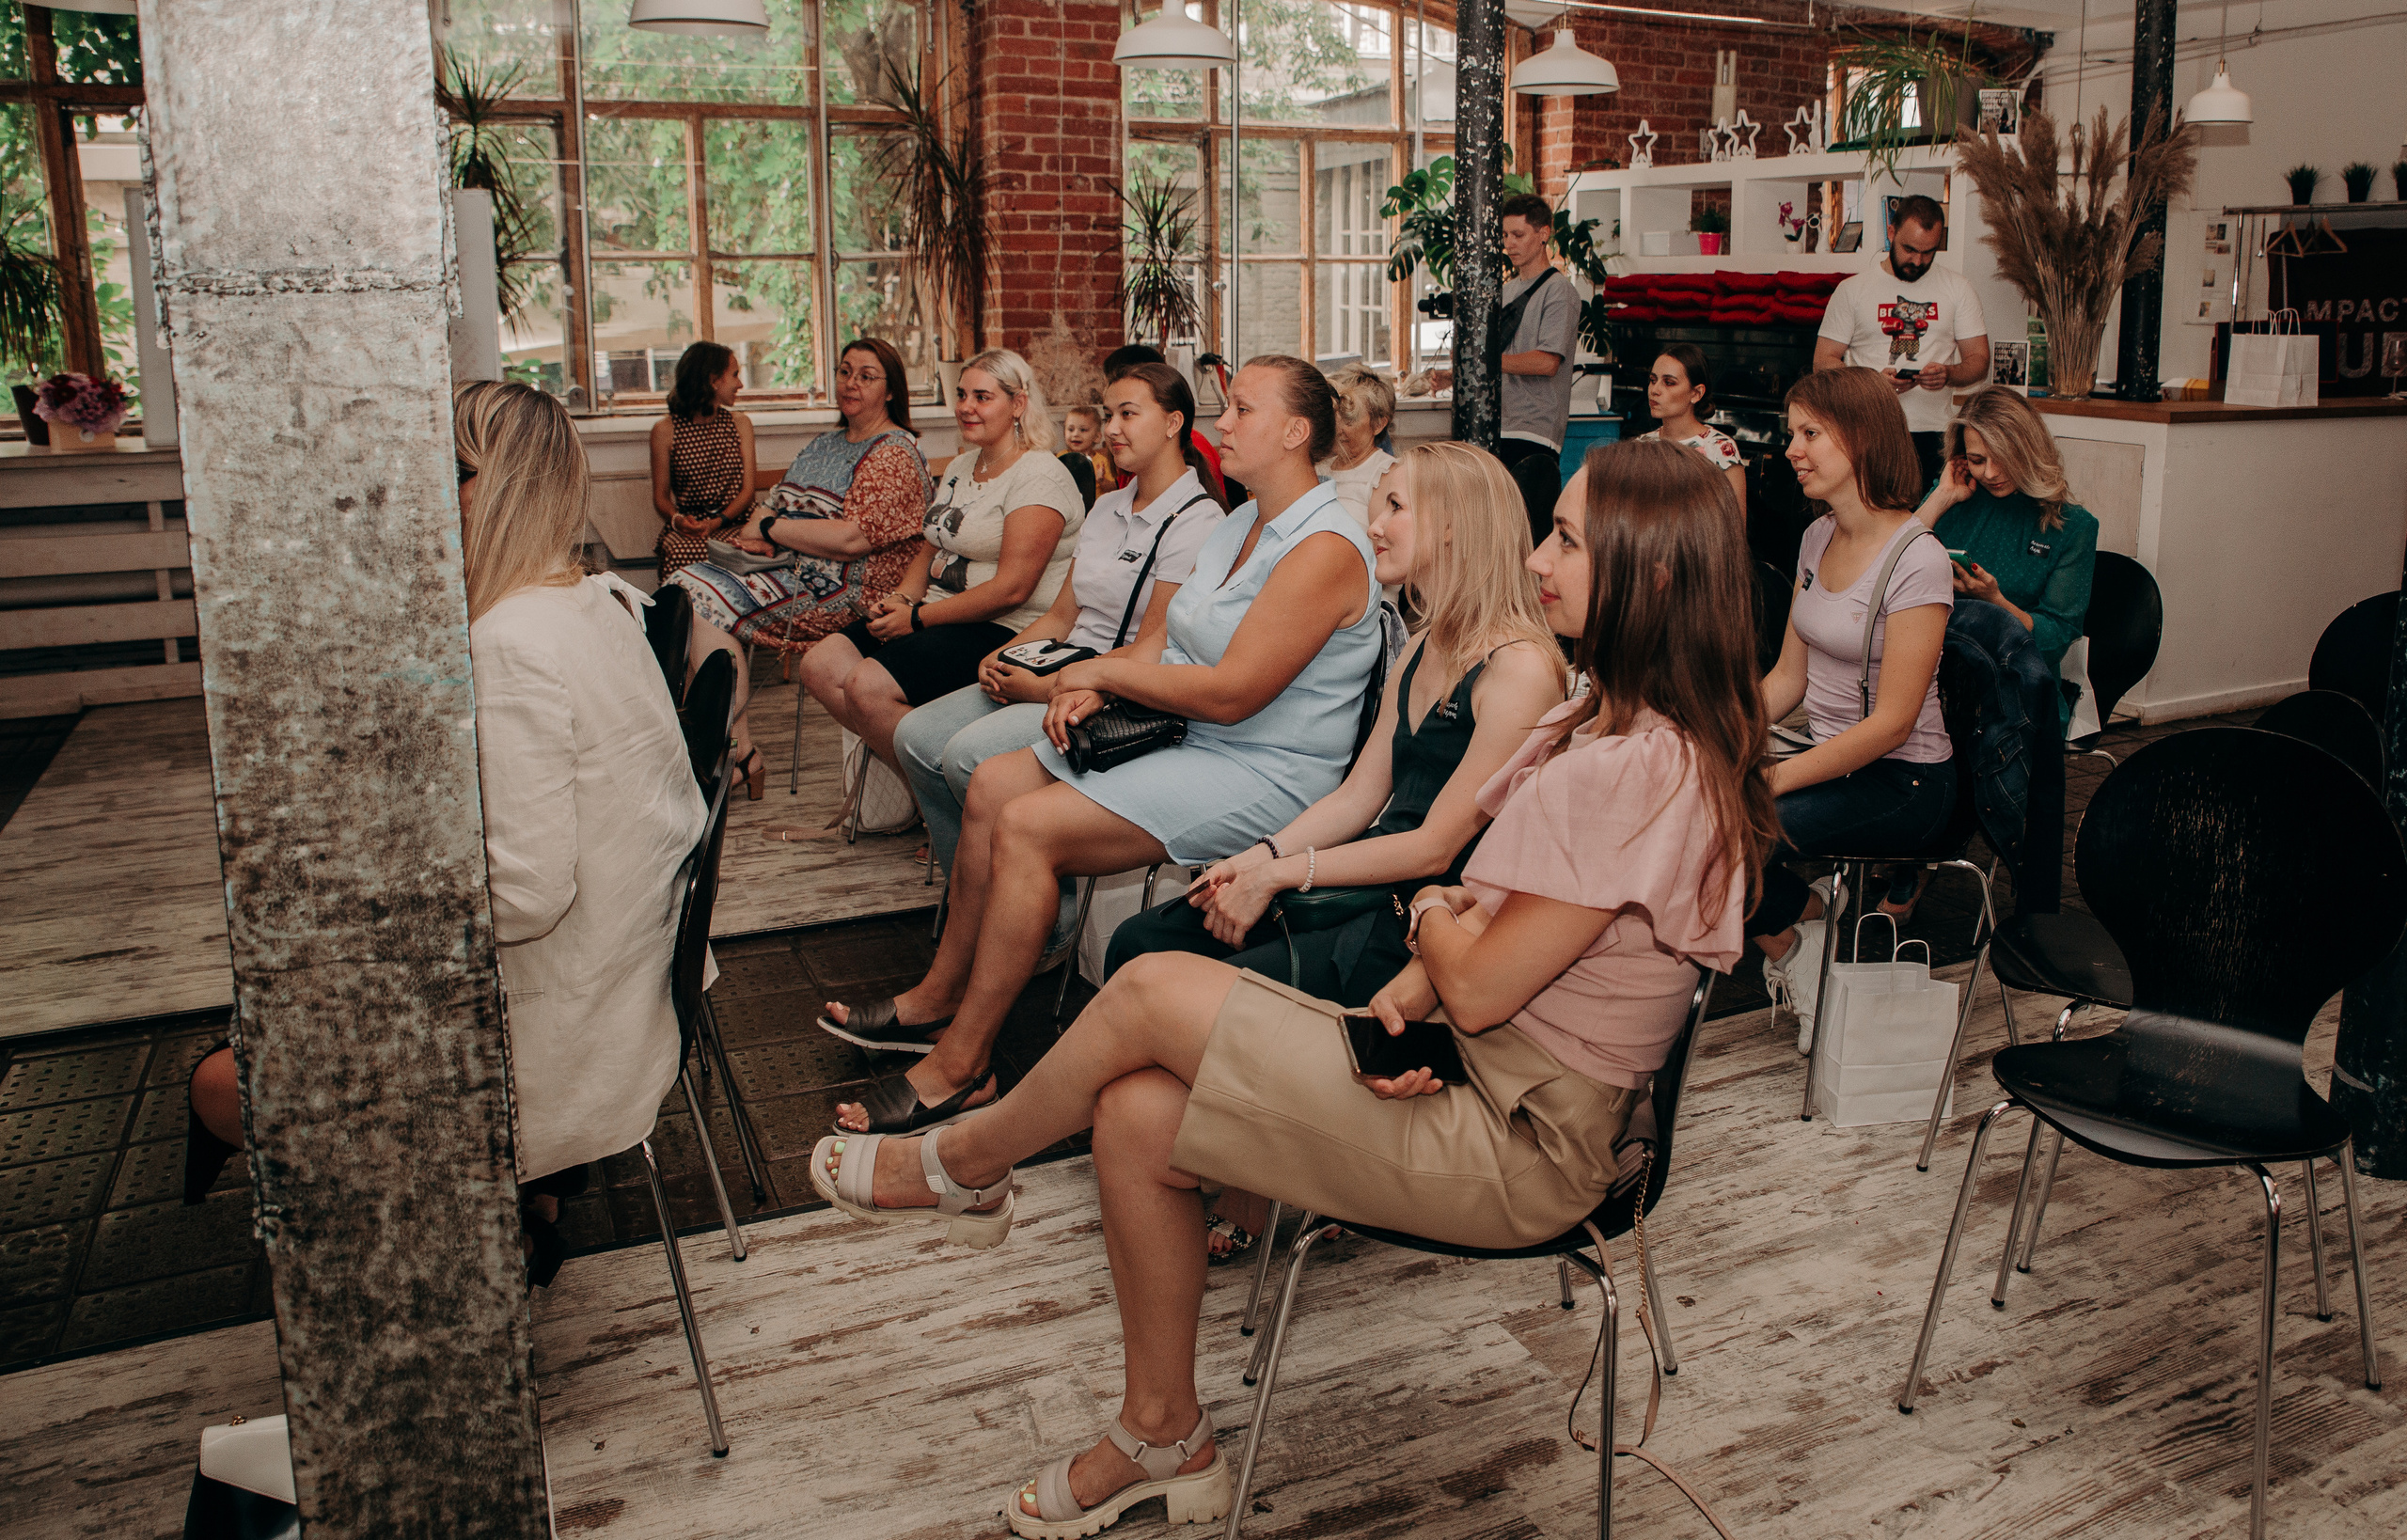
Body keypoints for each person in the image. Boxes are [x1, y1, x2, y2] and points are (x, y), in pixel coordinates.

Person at [802, 438, 1772, 1540]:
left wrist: (1432, 922)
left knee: (1154, 989)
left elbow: (1482, 958)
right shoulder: (1608, 723)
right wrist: (1419, 984)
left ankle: (964, 1165)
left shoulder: (1627, 761)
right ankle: (1163, 1436)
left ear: (1648, 578)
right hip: (1477, 1071)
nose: (1539, 557)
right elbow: (1486, 927)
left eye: (1565, 539)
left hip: (1530, 1146)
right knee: (1134, 1107)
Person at [817, 356, 1384, 1139]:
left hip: (1265, 770)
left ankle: (964, 1066)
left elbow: (1233, 691)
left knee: (1028, 827)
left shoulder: (1324, 546)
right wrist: (1101, 682)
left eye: (1241, 410)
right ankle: (940, 992)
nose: (1221, 424)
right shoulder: (1241, 522)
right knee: (991, 784)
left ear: (1295, 432)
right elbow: (1173, 640)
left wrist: (1108, 673)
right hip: (1196, 735)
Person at [1104, 440, 1565, 1261]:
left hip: (1430, 913)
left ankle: (1248, 1179)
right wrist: (1260, 857)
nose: (1373, 524)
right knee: (1142, 939)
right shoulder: (1424, 644)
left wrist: (1283, 872)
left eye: (1395, 506)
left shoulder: (1521, 667)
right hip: (1366, 871)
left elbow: (1439, 840)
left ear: (1455, 527)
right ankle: (1220, 1165)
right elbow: (1360, 797)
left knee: (1209, 989)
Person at [889, 362, 1229, 894]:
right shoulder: (1108, 505)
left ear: (1173, 423)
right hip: (1060, 664)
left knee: (965, 757)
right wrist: (1004, 655)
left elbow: (1153, 648)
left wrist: (1045, 688)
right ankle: (976, 893)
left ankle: (1041, 910)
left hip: (1114, 691)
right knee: (913, 737)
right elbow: (1060, 616)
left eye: (1127, 414)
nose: (1111, 428)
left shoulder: (1197, 521)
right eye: (1108, 414)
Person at [1750, 368, 1956, 1040]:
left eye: (1810, 433)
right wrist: (1716, 739)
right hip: (1830, 757)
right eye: (1791, 433)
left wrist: (1767, 778)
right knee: (1687, 809)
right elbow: (1786, 680)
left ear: (1862, 439)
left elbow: (1893, 723)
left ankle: (1801, 937)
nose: (1791, 449)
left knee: (1724, 831)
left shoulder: (1917, 561)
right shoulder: (1818, 538)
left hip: (1904, 780)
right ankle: (1806, 929)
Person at [799, 348, 1085, 778]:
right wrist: (900, 599)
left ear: (1018, 404)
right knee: (819, 666)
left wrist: (916, 620)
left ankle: (938, 802)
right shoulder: (961, 465)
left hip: (1004, 627)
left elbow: (1012, 590)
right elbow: (931, 545)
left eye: (983, 397)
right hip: (936, 611)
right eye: (962, 394)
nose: (966, 407)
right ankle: (924, 787)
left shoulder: (1038, 476)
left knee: (866, 686)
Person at [670, 338, 930, 798]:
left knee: (696, 596)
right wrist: (764, 533)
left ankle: (733, 752)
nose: (851, 383)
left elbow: (851, 540)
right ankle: (733, 749)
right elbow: (767, 510)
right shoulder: (823, 444)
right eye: (845, 371)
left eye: (866, 376)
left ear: (891, 391)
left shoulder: (894, 452)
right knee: (682, 591)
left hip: (845, 590)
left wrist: (773, 529)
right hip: (789, 571)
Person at [1913, 384, 2099, 730]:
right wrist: (1940, 497)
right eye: (1977, 460)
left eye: (2003, 458)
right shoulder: (1956, 497)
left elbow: (2055, 637)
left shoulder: (2073, 527)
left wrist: (1995, 601)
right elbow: (1889, 565)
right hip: (1930, 679)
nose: (1991, 474)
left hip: (2015, 689)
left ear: (2028, 450)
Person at [1814, 194, 1990, 490]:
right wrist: (1871, 383)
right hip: (1868, 432)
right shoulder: (1852, 290)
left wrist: (1949, 375)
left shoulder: (1958, 289)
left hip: (1935, 436)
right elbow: (1823, 362)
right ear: (1892, 233)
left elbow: (1979, 361)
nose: (1917, 261)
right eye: (1909, 249)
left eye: (1929, 252)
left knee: (1928, 529)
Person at [1436, 193, 1578, 548]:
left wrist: (1479, 362)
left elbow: (1546, 362)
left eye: (1519, 234)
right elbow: (1498, 358)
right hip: (1495, 424)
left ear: (1544, 233)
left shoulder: (1559, 291)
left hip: (1534, 430)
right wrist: (1457, 372)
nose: (1509, 244)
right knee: (1488, 539)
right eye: (1504, 236)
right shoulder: (1504, 290)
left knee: (1522, 540)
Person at [648, 341, 758, 578]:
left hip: (738, 522)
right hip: (692, 527)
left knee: (759, 546)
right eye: (735, 375)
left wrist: (717, 522)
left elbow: (748, 491)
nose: (740, 384)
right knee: (678, 552)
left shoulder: (740, 424)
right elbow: (661, 497)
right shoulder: (665, 430)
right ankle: (686, 614)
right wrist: (679, 521)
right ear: (713, 380)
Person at [1637, 343, 1746, 517]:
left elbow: (1735, 529)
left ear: (1696, 393)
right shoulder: (1640, 446)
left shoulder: (1720, 448)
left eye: (1669, 383)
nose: (1655, 390)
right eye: (1652, 380)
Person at [1315, 363, 1398, 532]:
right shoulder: (1318, 466)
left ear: (1378, 424)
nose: (1337, 428)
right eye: (1333, 416)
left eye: (1349, 419)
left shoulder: (1387, 474)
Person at [1062, 402, 1117, 503]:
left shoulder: (1102, 462)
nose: (1075, 434)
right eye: (1070, 429)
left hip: (1095, 509)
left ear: (1097, 437)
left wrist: (1102, 480)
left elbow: (1114, 489)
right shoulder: (1062, 458)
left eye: (1083, 430)